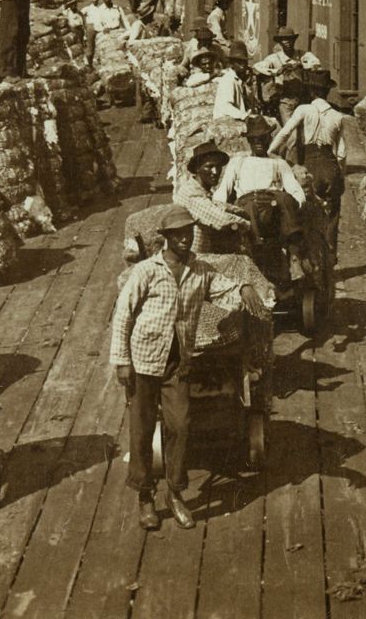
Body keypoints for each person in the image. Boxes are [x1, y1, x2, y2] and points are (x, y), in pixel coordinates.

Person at [111, 205, 267, 531]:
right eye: (178, 235)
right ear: (166, 239)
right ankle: (145, 498)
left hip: (177, 361)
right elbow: (123, 316)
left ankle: (176, 493)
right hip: (142, 360)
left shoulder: (199, 270)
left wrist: (244, 288)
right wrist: (122, 361)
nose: (185, 239)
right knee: (141, 430)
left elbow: (223, 285)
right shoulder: (146, 272)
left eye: (189, 233)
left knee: (180, 424)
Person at [269, 68, 346, 254]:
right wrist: (339, 175)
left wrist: (271, 150)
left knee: (308, 212)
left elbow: (285, 132)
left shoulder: (304, 109)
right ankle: (331, 256)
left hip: (310, 165)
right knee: (332, 215)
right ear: (327, 92)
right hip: (331, 165)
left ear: (310, 91)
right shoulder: (338, 116)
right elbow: (342, 153)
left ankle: (312, 257)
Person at [215, 114, 306, 250]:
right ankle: (256, 247)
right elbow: (223, 190)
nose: (259, 143)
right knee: (249, 207)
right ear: (249, 141)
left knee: (285, 198)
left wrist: (294, 206)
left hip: (272, 203)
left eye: (262, 138)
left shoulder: (278, 162)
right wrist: (219, 209)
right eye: (254, 139)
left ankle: (294, 249)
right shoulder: (238, 162)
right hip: (248, 202)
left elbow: (295, 190)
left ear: (269, 139)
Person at [174, 140, 250, 253]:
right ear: (197, 169)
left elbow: (217, 206)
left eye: (218, 167)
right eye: (209, 167)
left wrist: (240, 211)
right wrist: (249, 226)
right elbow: (221, 220)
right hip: (192, 257)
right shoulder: (191, 194)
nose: (215, 172)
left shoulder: (200, 191)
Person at [253, 26, 321, 123]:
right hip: (285, 100)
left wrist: (301, 65)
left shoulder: (302, 54)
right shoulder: (275, 58)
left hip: (303, 99)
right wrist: (277, 71)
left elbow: (316, 63)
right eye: (284, 39)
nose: (287, 42)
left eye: (290, 39)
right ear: (280, 42)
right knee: (290, 129)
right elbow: (257, 66)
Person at [213, 41, 254, 120]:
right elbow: (225, 106)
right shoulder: (228, 80)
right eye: (239, 62)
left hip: (235, 120)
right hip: (225, 122)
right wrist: (243, 116)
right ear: (232, 64)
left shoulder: (240, 80)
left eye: (244, 62)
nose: (243, 65)